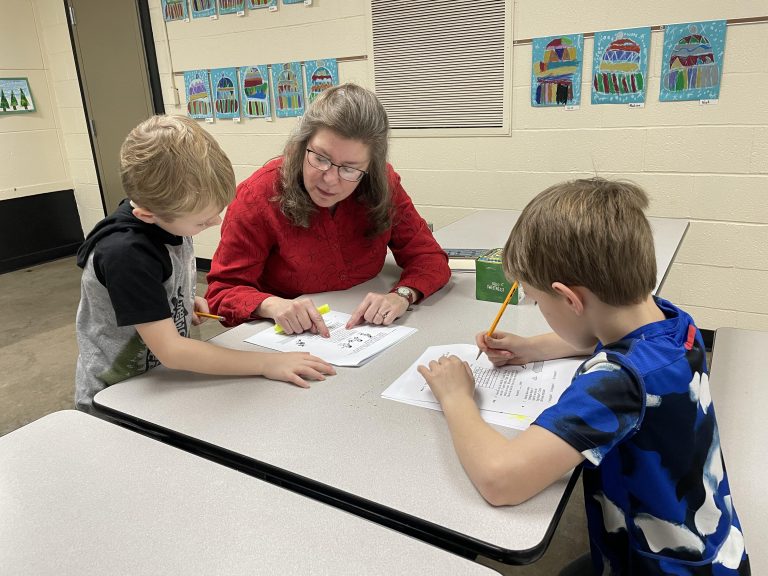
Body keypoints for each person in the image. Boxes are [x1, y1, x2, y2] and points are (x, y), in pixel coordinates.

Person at [418, 179, 750, 575]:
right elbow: (613, 340)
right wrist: (534, 347)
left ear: (571, 299)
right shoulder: (675, 324)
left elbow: (501, 480)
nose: (541, 311)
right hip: (713, 547)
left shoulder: (617, 382)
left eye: (539, 302)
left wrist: (456, 397)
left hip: (659, 567)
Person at [75, 115, 334, 413]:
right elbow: (172, 352)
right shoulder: (125, 255)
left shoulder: (167, 219)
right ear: (148, 214)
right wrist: (267, 362)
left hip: (159, 383)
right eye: (202, 221)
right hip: (115, 397)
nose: (216, 222)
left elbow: (155, 286)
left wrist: (180, 300)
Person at [206, 83, 450, 336]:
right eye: (320, 158)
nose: (330, 179)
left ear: (370, 167)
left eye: (350, 168)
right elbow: (222, 291)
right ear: (300, 147)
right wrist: (272, 305)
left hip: (366, 331)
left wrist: (402, 295)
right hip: (289, 338)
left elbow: (429, 257)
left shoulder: (384, 184)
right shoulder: (258, 195)